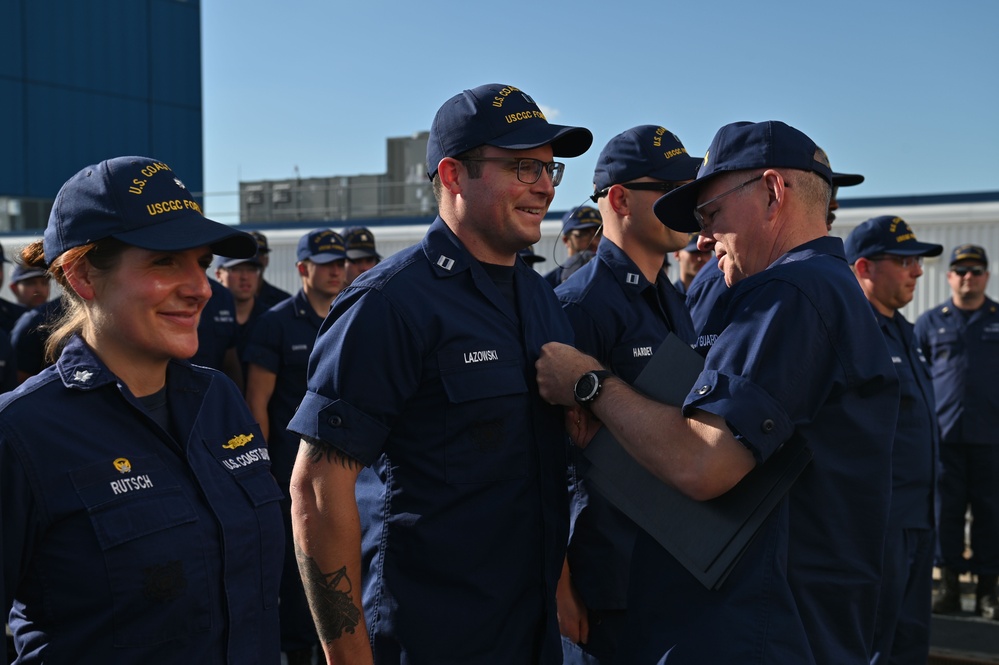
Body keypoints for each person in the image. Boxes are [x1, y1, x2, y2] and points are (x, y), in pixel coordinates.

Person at [535, 120, 899, 664]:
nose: (702, 238)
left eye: (711, 215)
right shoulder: (804, 286)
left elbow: (704, 462)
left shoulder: (790, 292)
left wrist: (592, 385)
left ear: (774, 192)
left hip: (763, 626)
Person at [287, 82, 592, 664]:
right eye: (524, 166)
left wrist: (560, 585)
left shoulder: (540, 299)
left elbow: (544, 469)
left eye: (551, 169)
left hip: (527, 626)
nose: (546, 185)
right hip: (429, 634)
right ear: (453, 175)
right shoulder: (389, 305)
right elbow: (318, 490)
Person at [0, 156, 283, 664]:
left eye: (200, 262)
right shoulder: (20, 435)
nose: (201, 287)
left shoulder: (218, 400)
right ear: (83, 275)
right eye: (164, 261)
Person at [554, 124, 700, 664]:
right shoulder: (580, 307)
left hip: (673, 562)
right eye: (671, 192)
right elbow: (545, 462)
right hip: (606, 577)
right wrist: (560, 583)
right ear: (619, 198)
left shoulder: (673, 300)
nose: (689, 208)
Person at [244, 227, 347, 665]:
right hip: (291, 467)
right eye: (325, 266)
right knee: (296, 567)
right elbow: (258, 402)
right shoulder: (276, 323)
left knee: (342, 560)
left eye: (340, 264)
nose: (335, 272)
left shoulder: (354, 315)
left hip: (346, 464)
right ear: (302, 269)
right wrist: (263, 467)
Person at [845, 215, 942, 662]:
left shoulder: (908, 332)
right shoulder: (851, 333)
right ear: (864, 268)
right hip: (877, 524)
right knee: (872, 644)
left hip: (919, 517)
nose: (918, 271)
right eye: (905, 261)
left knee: (910, 641)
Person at [685, 154, 864, 332]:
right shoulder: (728, 273)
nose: (830, 205)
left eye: (827, 192)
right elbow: (698, 355)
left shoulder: (814, 283)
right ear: (773, 194)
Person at [915, 243, 999, 619]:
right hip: (944, 440)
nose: (968, 277)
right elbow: (917, 382)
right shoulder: (930, 323)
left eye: (976, 270)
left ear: (986, 276)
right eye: (961, 271)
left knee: (991, 515)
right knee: (945, 514)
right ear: (949, 276)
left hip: (992, 442)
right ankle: (947, 589)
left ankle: (987, 593)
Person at [213, 251, 268, 383]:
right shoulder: (204, 316)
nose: (245, 277)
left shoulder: (271, 318)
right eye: (236, 269)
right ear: (218, 274)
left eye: (251, 270)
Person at [544, 206, 602, 287]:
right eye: (584, 234)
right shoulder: (548, 284)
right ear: (566, 240)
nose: (595, 241)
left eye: (599, 234)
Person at [249, 230, 293, 309]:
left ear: (267, 260)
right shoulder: (226, 299)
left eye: (260, 254)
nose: (255, 258)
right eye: (251, 253)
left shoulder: (284, 301)